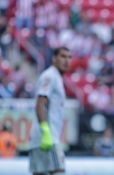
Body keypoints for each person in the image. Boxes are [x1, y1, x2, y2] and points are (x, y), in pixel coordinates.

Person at [29, 47, 71, 175]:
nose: (66, 60)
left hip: (39, 139)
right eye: (63, 56)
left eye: (69, 57)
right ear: (54, 59)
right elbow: (40, 102)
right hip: (48, 138)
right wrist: (45, 130)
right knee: (58, 170)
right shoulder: (50, 76)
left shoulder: (56, 77)